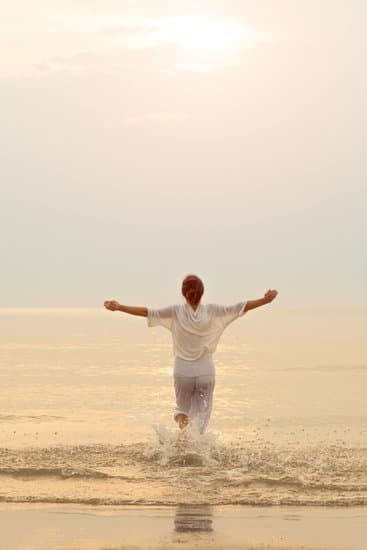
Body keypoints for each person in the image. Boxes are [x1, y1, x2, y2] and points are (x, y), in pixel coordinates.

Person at [104, 275, 278, 434]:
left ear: (183, 294)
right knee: (202, 416)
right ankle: (196, 444)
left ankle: (184, 434)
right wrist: (265, 300)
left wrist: (119, 307)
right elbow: (241, 307)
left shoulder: (175, 311)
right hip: (205, 371)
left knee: (182, 410)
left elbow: (147, 312)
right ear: (202, 293)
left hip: (182, 371)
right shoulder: (213, 310)